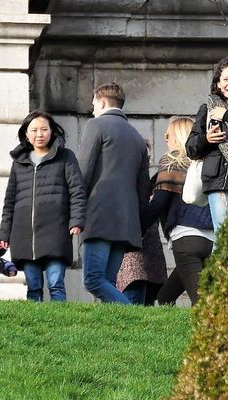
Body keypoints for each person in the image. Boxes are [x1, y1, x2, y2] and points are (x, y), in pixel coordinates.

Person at [0, 110, 86, 301]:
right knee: (34, 287)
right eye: (34, 130)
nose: (39, 134)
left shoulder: (66, 157)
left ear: (52, 131)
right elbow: (9, 201)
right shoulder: (19, 162)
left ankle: (59, 323)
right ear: (26, 134)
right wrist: (4, 233)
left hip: (56, 230)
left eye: (44, 129)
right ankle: (37, 327)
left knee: (56, 284)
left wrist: (76, 220)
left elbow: (77, 190)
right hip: (25, 235)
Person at [77, 82, 150, 304]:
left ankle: (135, 317)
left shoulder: (96, 126)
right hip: (126, 221)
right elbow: (143, 187)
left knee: (93, 279)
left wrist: (74, 209)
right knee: (108, 280)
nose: (92, 108)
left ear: (101, 101)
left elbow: (83, 172)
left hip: (99, 213)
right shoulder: (137, 137)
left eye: (93, 104)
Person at [143, 116, 214, 306]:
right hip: (211, 239)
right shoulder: (207, 161)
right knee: (165, 297)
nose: (165, 138)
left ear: (178, 137)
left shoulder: (172, 159)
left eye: (168, 134)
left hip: (186, 238)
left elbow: (159, 202)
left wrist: (138, 229)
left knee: (201, 303)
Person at [185, 57, 228, 237]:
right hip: (218, 182)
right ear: (218, 83)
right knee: (224, 234)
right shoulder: (207, 108)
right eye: (225, 79)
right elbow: (191, 148)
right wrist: (207, 139)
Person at [117, 141, 168, 306]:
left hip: (150, 251)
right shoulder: (122, 180)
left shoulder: (153, 179)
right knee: (133, 297)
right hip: (129, 253)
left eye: (147, 156)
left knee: (144, 303)